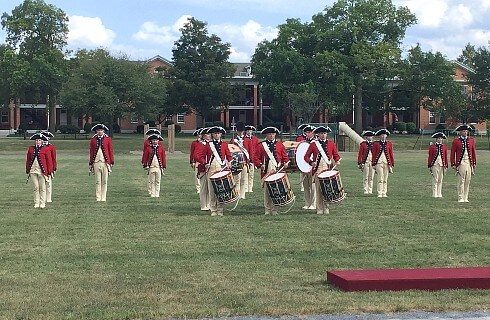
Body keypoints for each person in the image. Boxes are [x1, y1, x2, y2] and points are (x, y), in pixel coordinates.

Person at [303, 126, 341, 214]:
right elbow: (306, 156)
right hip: (318, 169)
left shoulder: (331, 143)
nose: (323, 135)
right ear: (318, 134)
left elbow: (336, 155)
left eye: (324, 133)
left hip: (327, 169)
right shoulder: (313, 144)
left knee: (327, 189)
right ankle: (319, 209)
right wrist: (311, 162)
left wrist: (337, 160)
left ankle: (326, 208)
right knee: (319, 189)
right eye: (321, 134)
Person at [195, 126, 232, 216]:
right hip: (211, 169)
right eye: (215, 133)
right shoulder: (208, 145)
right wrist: (205, 163)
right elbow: (199, 156)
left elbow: (229, 155)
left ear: (221, 134)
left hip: (221, 168)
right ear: (212, 134)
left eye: (218, 133)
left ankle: (220, 210)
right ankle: (213, 210)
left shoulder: (224, 144)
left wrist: (230, 162)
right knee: (211, 191)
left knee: (220, 191)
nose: (217, 135)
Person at [252, 126, 289, 215]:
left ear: (275, 134)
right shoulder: (261, 145)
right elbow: (255, 157)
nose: (271, 136)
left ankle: (275, 209)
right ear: (266, 135)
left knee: (276, 190)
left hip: (277, 169)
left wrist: (286, 162)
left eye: (273, 134)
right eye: (269, 134)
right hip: (267, 170)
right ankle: (267, 209)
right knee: (267, 191)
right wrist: (260, 165)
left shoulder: (280, 144)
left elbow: (285, 156)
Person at [450, 124, 477, 203]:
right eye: (463, 131)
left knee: (468, 180)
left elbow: (473, 152)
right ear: (460, 132)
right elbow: (452, 153)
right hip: (461, 163)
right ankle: (460, 197)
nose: (465, 133)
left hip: (469, 163)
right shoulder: (456, 141)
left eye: (466, 131)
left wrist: (474, 163)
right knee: (461, 181)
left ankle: (466, 197)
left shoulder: (471, 140)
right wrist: (453, 164)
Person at [25, 133, 53, 209]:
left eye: (39, 140)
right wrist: (27, 169)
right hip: (33, 170)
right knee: (36, 187)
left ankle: (42, 202)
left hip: (42, 171)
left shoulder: (45, 149)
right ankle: (36, 202)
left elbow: (49, 161)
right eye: (36, 140)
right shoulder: (31, 148)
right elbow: (28, 160)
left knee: (42, 187)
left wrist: (49, 171)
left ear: (42, 141)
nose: (38, 141)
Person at [88, 123, 114, 202]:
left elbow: (110, 151)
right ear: (96, 131)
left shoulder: (108, 139)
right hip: (96, 162)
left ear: (103, 131)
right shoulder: (93, 140)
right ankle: (98, 197)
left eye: (101, 130)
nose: (100, 132)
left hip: (105, 163)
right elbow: (91, 152)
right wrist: (90, 163)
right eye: (98, 130)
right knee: (98, 181)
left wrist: (111, 162)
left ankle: (103, 197)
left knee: (104, 181)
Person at [371, 129, 394, 198]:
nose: (383, 136)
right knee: (380, 178)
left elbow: (391, 154)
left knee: (385, 179)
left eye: (384, 135)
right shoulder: (375, 144)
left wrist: (391, 163)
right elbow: (374, 154)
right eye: (382, 135)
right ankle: (379, 193)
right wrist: (373, 164)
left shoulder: (389, 144)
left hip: (386, 163)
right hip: (379, 163)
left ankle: (384, 192)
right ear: (380, 136)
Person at [300, 125, 316, 210]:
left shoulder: (316, 142)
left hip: (313, 166)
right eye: (307, 132)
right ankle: (307, 203)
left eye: (309, 132)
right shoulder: (304, 143)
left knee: (313, 186)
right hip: (305, 166)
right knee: (306, 186)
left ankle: (313, 204)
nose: (308, 134)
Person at [230, 122, 249, 199]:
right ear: (237, 131)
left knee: (244, 179)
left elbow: (250, 150)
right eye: (239, 131)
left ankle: (242, 194)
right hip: (237, 162)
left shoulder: (247, 140)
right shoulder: (233, 140)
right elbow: (230, 150)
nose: (240, 132)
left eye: (241, 131)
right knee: (237, 179)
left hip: (244, 161)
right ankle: (237, 194)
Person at [428, 132, 448, 198]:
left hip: (442, 165)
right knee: (435, 179)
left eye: (441, 138)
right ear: (436, 139)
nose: (440, 140)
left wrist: (446, 165)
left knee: (440, 179)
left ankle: (439, 193)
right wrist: (430, 165)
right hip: (435, 164)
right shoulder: (432, 147)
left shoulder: (444, 147)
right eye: (439, 138)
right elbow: (430, 156)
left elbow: (445, 156)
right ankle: (434, 194)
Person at [195, 128, 211, 211]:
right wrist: (204, 163)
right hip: (203, 168)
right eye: (207, 134)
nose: (208, 136)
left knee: (210, 189)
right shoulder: (201, 144)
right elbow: (197, 156)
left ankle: (209, 204)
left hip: (211, 168)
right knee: (204, 188)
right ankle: (203, 205)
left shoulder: (211, 144)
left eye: (209, 134)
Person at [357, 130, 375, 195]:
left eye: (371, 136)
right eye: (368, 136)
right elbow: (360, 154)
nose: (370, 137)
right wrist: (359, 162)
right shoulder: (363, 144)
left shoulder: (374, 144)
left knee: (371, 177)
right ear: (366, 137)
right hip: (365, 162)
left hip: (372, 162)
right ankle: (365, 190)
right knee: (366, 177)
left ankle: (370, 190)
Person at [41, 131, 57, 203]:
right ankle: (42, 198)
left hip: (49, 167)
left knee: (48, 183)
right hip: (42, 167)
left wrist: (54, 168)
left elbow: (53, 158)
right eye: (44, 138)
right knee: (42, 184)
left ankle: (48, 198)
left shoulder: (51, 147)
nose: (45, 140)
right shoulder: (40, 147)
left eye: (47, 138)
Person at [244, 125, 259, 193]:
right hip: (245, 159)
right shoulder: (244, 139)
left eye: (250, 131)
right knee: (245, 174)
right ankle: (245, 188)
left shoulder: (255, 139)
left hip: (253, 159)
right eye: (248, 131)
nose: (249, 132)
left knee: (251, 174)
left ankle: (250, 188)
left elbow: (257, 149)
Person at [190, 128, 203, 194]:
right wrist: (192, 161)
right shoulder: (194, 143)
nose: (199, 135)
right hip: (197, 161)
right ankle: (198, 188)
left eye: (201, 134)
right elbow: (192, 153)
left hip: (204, 160)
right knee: (197, 175)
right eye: (199, 134)